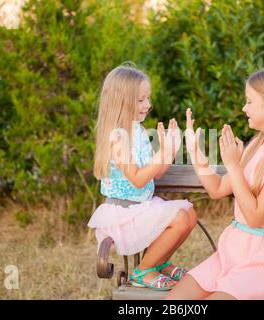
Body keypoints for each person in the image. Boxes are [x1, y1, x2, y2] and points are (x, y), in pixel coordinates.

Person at [166, 65, 264, 300]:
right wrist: (194, 149)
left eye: (249, 101)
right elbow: (217, 189)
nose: (244, 108)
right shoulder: (255, 146)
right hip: (232, 252)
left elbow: (255, 216)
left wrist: (234, 166)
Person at [88, 65, 197, 291]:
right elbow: (137, 179)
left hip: (142, 208)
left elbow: (154, 172)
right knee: (179, 218)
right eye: (140, 100)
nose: (148, 105)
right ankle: (143, 271)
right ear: (121, 102)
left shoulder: (137, 130)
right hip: (124, 213)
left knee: (189, 214)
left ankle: (159, 262)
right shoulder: (118, 136)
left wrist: (170, 151)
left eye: (147, 99)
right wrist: (162, 153)